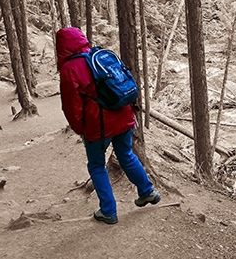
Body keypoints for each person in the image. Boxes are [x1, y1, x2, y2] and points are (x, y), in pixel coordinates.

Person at [56, 27, 160, 224]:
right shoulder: (99, 55)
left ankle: (108, 211)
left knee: (96, 166)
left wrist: (81, 129)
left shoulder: (70, 69)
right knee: (127, 155)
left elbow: (71, 106)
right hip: (124, 116)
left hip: (98, 126)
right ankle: (147, 191)